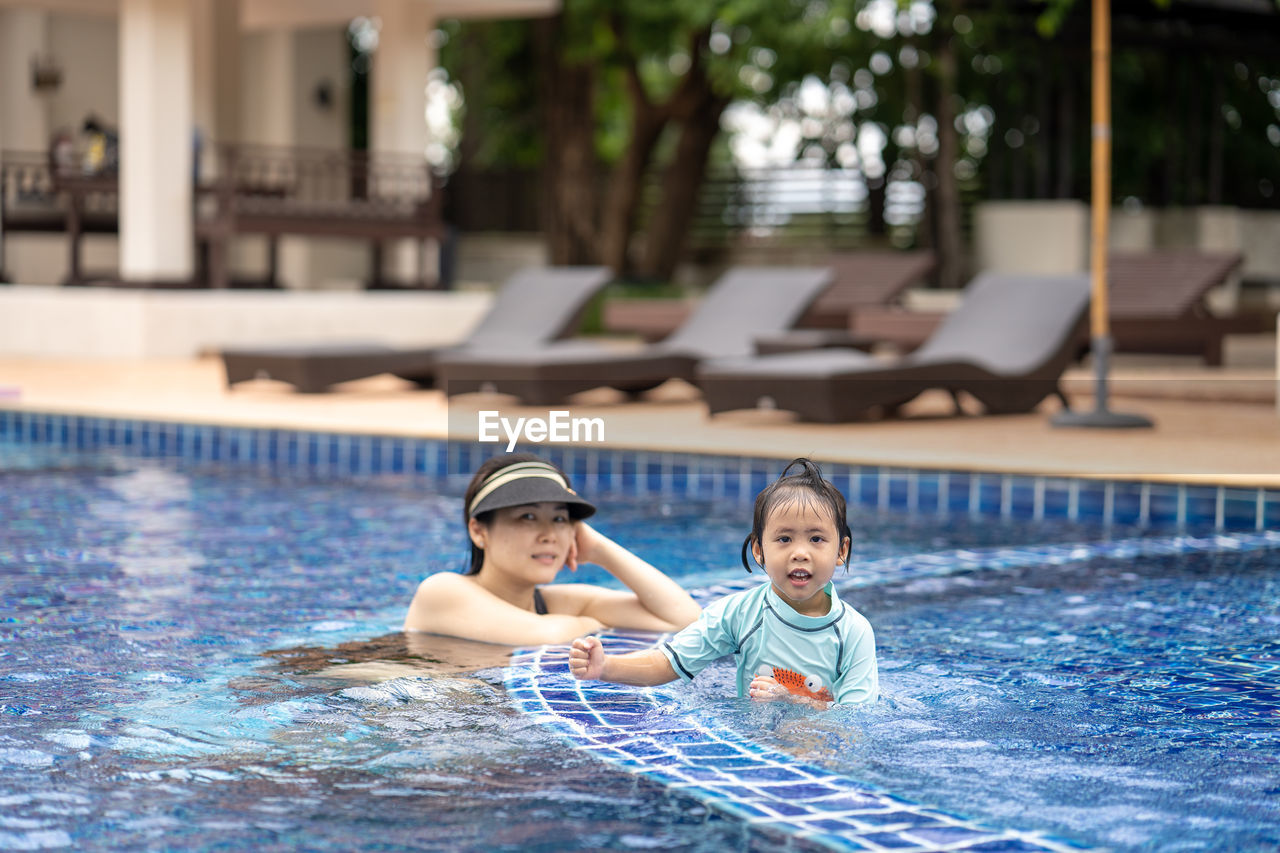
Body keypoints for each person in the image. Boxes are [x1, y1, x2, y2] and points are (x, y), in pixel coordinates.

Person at [569, 458, 878, 708]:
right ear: (759, 551)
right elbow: (669, 662)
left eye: (816, 539)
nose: (800, 553)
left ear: (841, 550)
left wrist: (795, 701)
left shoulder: (853, 632)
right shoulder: (740, 614)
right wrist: (605, 667)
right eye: (784, 539)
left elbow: (856, 722)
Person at [404, 453, 700, 645]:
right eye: (528, 517)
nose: (549, 535)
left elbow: (689, 622)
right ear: (479, 531)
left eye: (559, 518)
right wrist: (590, 623)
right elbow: (547, 635)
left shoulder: (557, 604)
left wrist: (598, 549)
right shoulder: (442, 590)